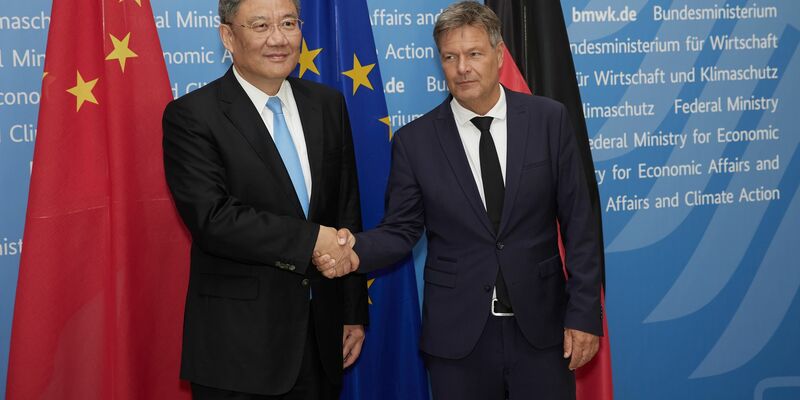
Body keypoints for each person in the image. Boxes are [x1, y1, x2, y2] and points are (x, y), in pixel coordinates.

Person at [314, 2, 603, 399]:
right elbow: (400, 231)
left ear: (499, 55)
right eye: (450, 57)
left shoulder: (548, 120)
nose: (462, 67)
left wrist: (584, 313)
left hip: (543, 330)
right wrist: (353, 252)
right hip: (459, 341)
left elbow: (580, 226)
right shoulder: (415, 142)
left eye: (473, 54)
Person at [162, 0, 367, 398]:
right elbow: (213, 219)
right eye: (260, 26)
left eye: (288, 23)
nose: (278, 38)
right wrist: (311, 241)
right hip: (239, 349)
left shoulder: (327, 105)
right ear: (228, 36)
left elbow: (345, 208)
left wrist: (351, 312)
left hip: (322, 339)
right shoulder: (192, 116)